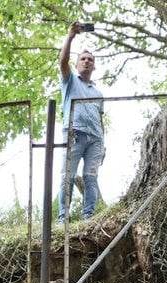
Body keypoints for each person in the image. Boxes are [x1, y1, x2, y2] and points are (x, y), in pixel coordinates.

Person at [57, 21, 105, 222]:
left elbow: (101, 120)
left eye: (90, 60)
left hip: (95, 140)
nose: (86, 61)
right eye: (83, 59)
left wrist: (104, 143)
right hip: (74, 133)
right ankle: (63, 218)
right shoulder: (70, 81)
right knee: (67, 175)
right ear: (77, 64)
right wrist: (70, 36)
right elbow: (62, 62)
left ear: (94, 65)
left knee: (90, 177)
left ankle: (88, 217)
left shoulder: (98, 93)